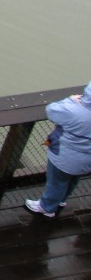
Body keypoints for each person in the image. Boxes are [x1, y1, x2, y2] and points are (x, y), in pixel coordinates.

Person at [25, 81, 91, 217]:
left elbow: (51, 110)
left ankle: (46, 208)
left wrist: (72, 100)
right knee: (73, 179)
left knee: (56, 182)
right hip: (87, 158)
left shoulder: (73, 110)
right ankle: (61, 200)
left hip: (65, 156)